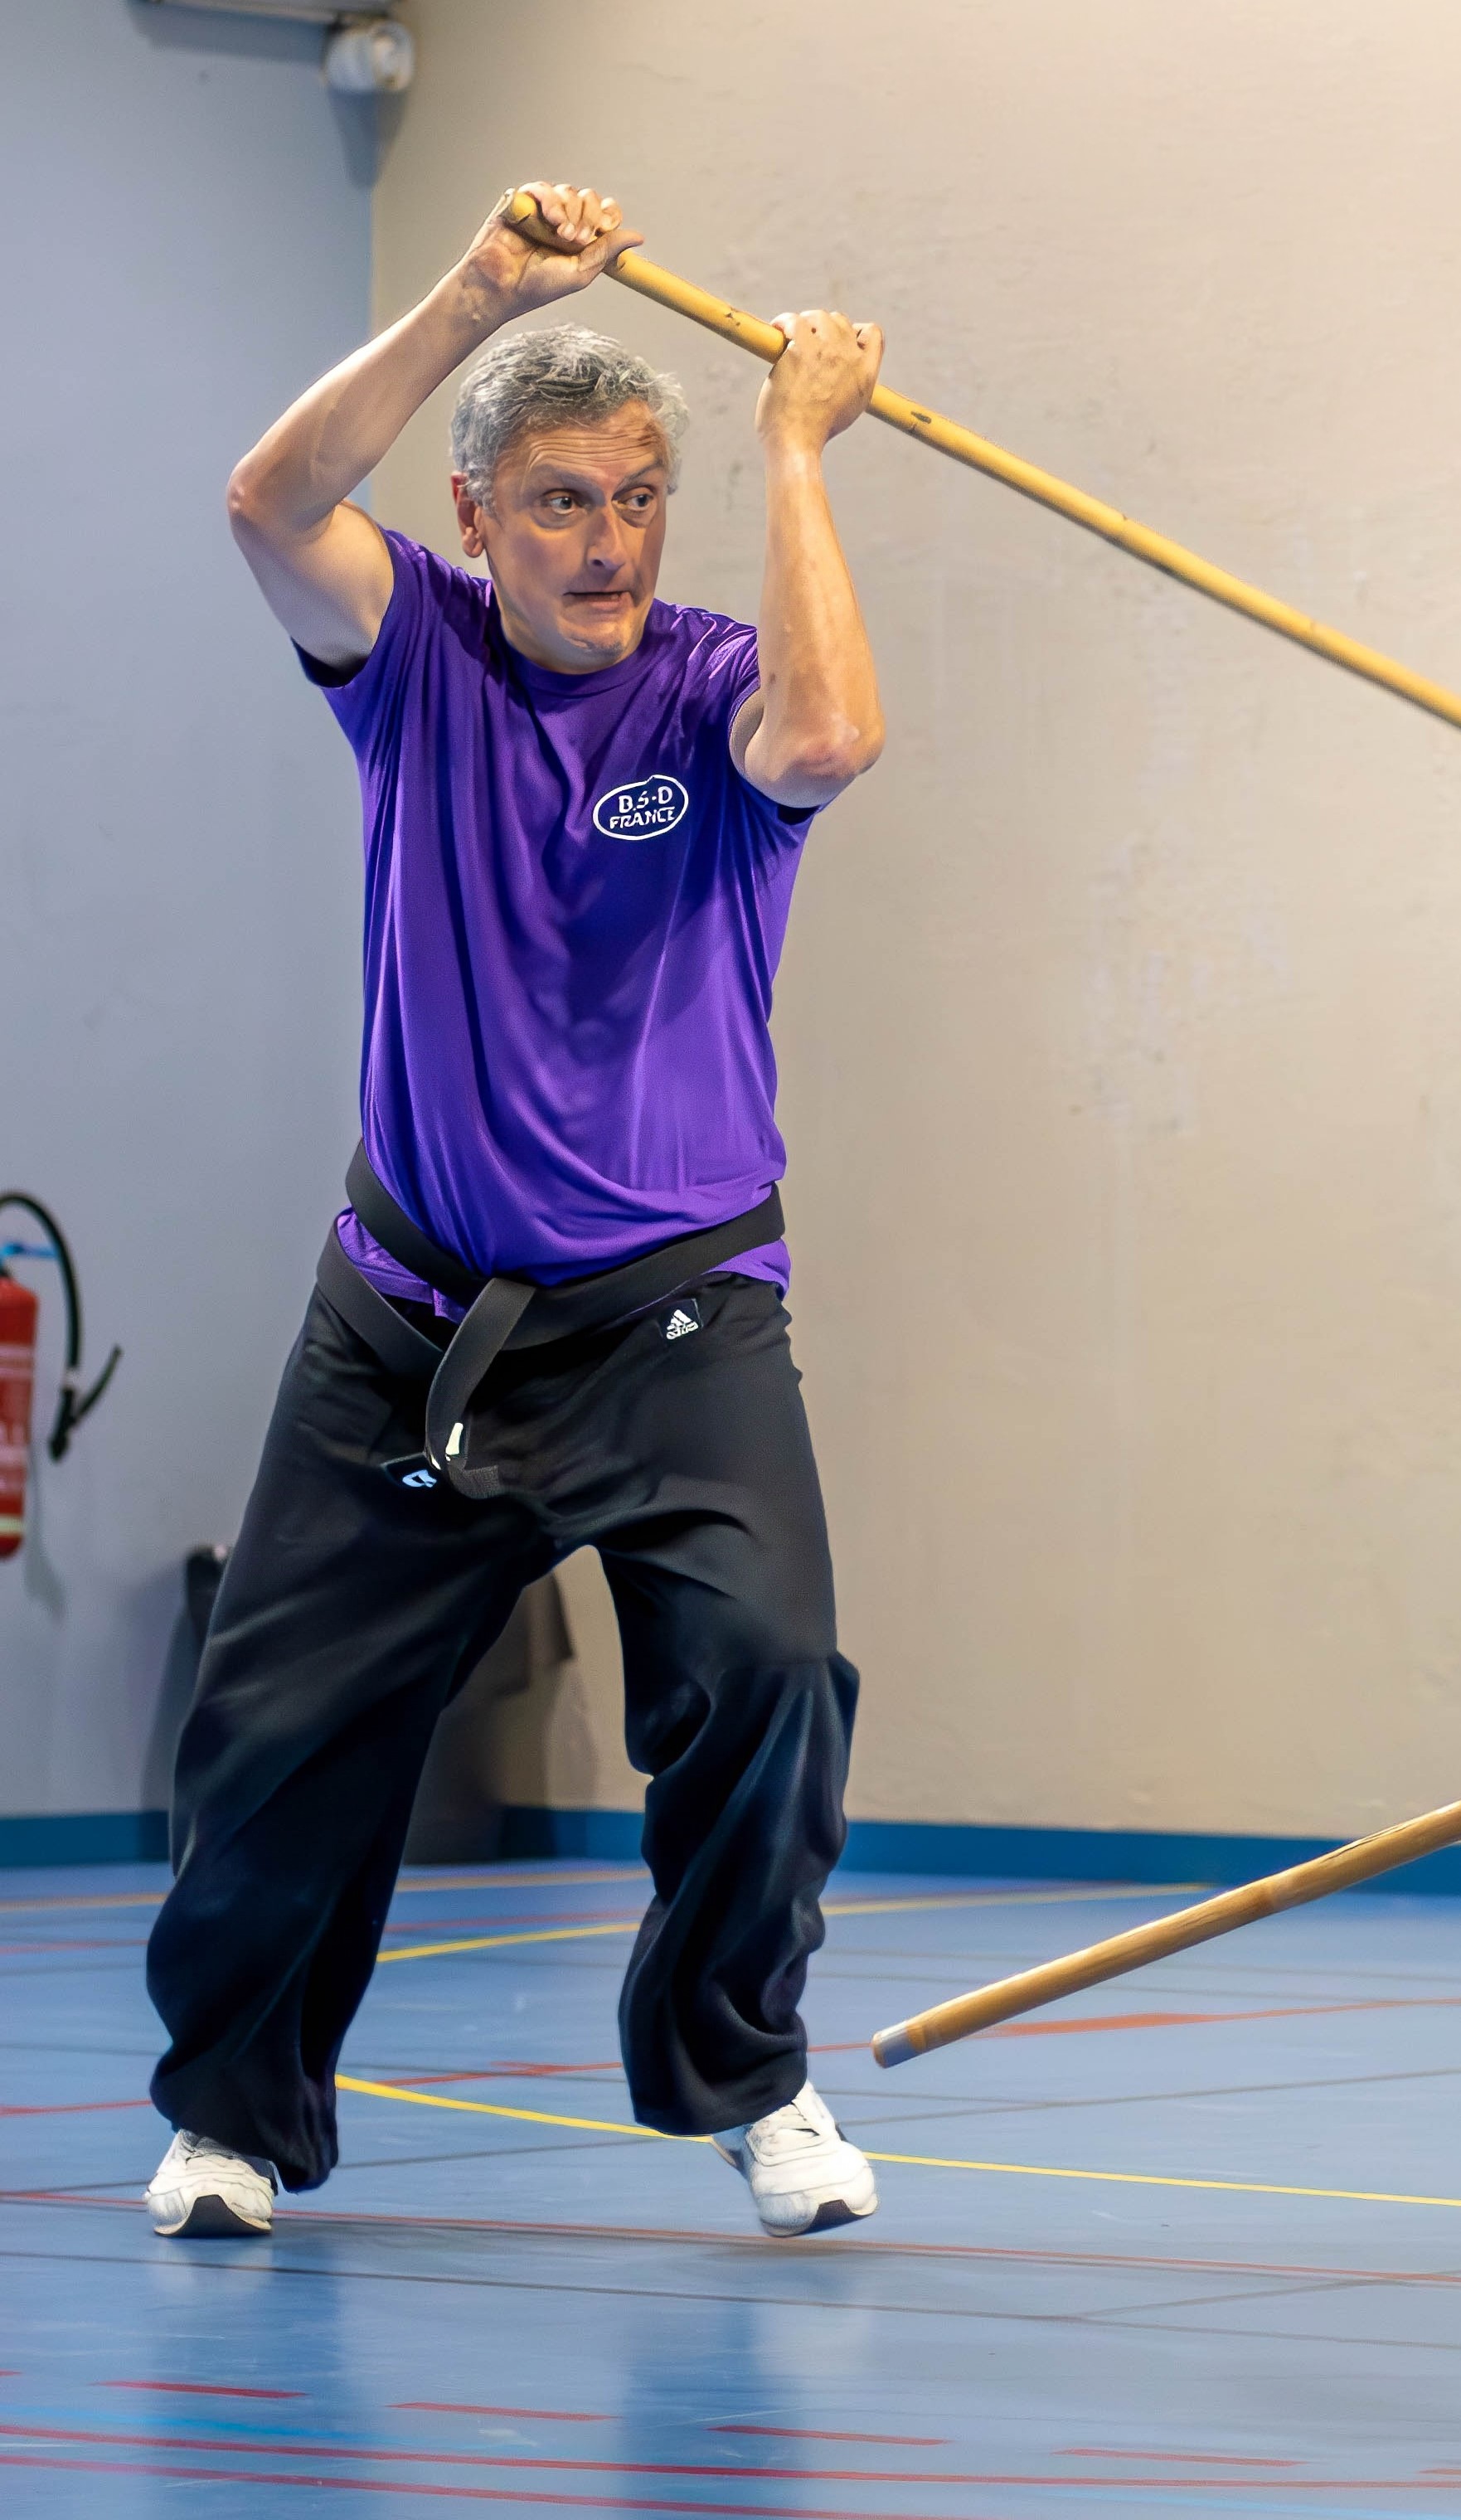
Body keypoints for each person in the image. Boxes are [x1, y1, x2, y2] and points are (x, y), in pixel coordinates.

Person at [141, 184, 890, 2245]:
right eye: (561, 502)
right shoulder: (414, 653)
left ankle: (747, 2073)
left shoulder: (722, 686)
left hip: (678, 1318)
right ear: (475, 517)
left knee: (767, 1674)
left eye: (639, 499)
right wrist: (477, 290)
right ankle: (232, 2114)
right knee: (275, 1735)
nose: (608, 542)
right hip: (409, 1316)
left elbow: (833, 735)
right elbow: (266, 498)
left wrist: (794, 445)